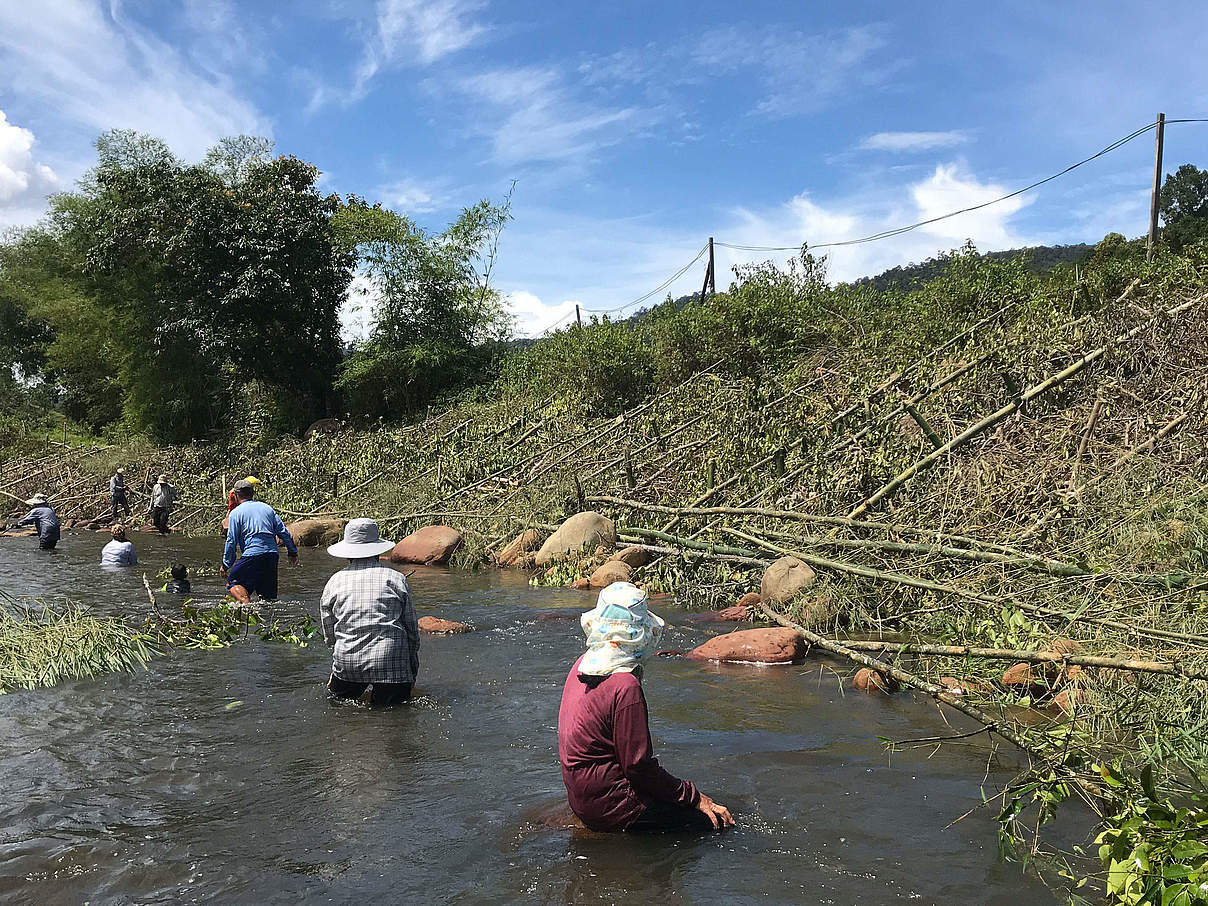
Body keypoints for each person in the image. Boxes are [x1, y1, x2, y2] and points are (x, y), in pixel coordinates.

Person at [558, 582, 734, 833]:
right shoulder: (625, 686)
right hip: (612, 808)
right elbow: (638, 767)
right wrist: (693, 796)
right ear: (639, 634)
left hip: (582, 799)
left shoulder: (581, 665)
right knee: (717, 824)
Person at [319, 519, 419, 707]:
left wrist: (336, 668)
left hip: (348, 661)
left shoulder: (334, 581)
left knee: (341, 710)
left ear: (347, 553)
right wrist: (411, 670)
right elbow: (412, 631)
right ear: (378, 550)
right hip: (390, 660)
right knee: (393, 716)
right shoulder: (396, 578)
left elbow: (330, 635)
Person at [221, 482, 297, 603]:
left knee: (233, 582)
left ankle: (247, 607)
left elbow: (231, 541)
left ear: (235, 495)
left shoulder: (235, 514)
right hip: (271, 556)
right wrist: (292, 552)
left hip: (252, 554)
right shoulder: (267, 508)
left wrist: (226, 564)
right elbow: (283, 532)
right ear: (252, 493)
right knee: (267, 598)